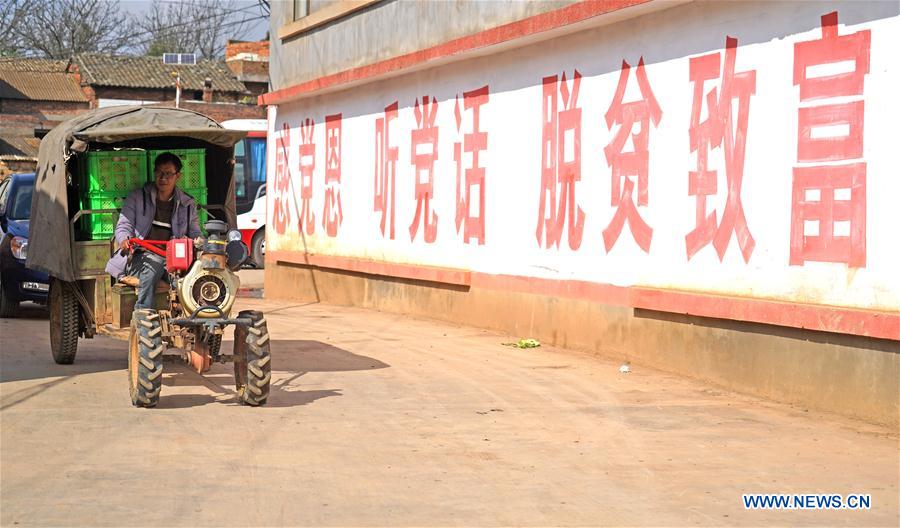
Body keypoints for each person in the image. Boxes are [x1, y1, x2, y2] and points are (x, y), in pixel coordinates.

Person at [105, 152, 202, 310]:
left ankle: (194, 320)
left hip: (173, 260)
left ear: (178, 176)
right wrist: (124, 240)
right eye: (159, 172)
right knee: (154, 263)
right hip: (138, 256)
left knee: (196, 275)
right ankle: (143, 313)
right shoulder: (137, 197)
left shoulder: (187, 203)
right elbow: (124, 225)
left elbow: (195, 233)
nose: (163, 178)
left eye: (168, 174)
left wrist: (201, 244)